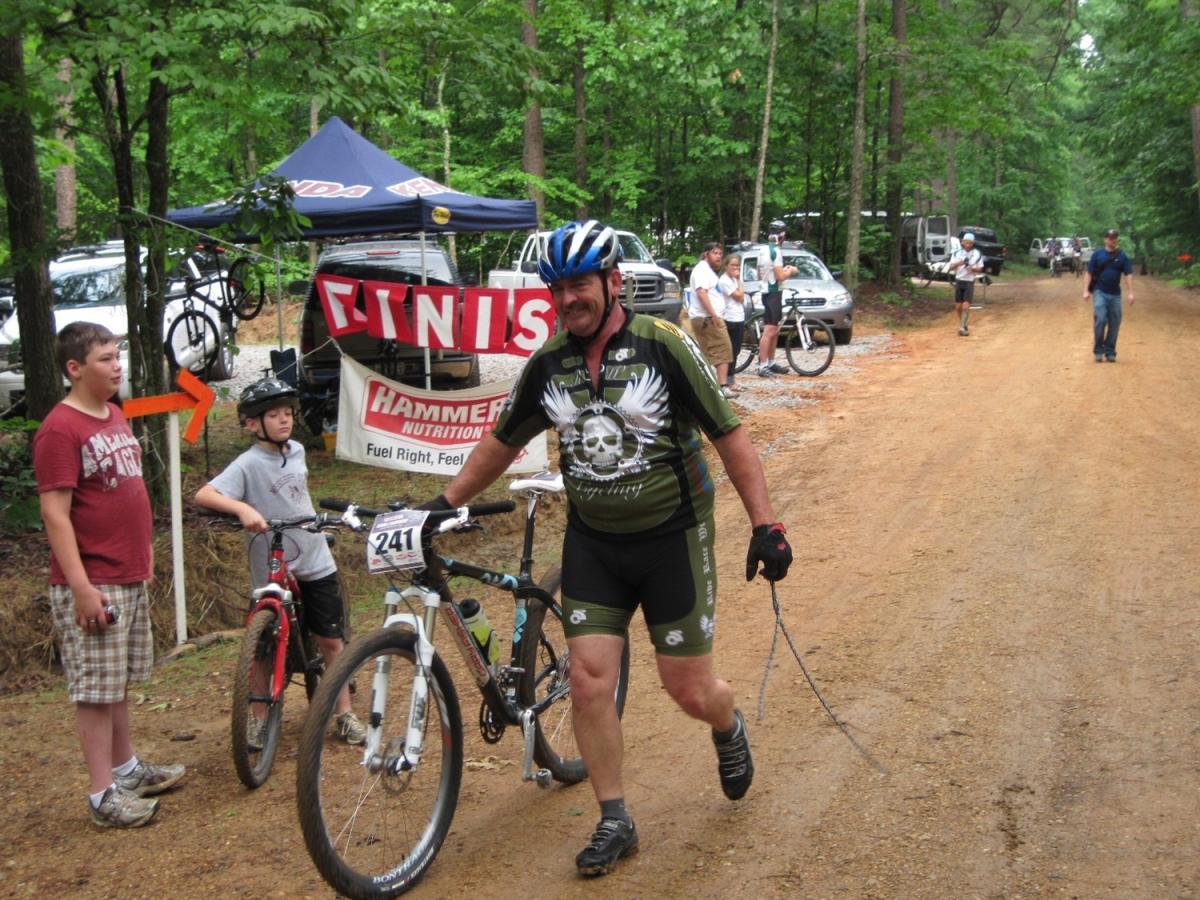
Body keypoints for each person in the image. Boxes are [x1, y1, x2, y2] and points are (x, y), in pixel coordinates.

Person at [419, 220, 793, 877]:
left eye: (581, 285)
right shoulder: (549, 365)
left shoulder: (665, 345)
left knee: (687, 688)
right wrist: (443, 505)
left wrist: (768, 526)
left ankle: (726, 722)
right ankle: (614, 816)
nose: (569, 299)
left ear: (613, 283)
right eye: (558, 289)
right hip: (595, 542)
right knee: (589, 679)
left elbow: (729, 436)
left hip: (672, 537)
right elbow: (500, 443)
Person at [33, 322, 186, 828]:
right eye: (105, 358)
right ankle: (103, 795)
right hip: (93, 578)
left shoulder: (114, 415)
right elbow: (56, 513)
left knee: (116, 682)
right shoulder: (61, 428)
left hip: (127, 573)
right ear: (74, 369)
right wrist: (80, 587)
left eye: (117, 355)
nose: (117, 365)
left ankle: (126, 768)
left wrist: (142, 557)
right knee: (95, 691)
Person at [194, 378, 365, 746]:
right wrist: (242, 508)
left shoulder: (298, 450)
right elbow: (205, 494)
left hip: (313, 555)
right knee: (263, 647)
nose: (284, 420)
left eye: (288, 413)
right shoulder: (247, 464)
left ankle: (344, 714)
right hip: (270, 561)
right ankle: (258, 718)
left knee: (330, 641)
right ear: (252, 423)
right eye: (274, 415)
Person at [686, 241, 735, 398]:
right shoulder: (702, 270)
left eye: (720, 254)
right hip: (707, 318)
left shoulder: (707, 270)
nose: (719, 256)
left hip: (707, 317)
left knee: (709, 353)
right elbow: (701, 292)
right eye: (715, 253)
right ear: (706, 254)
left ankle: (707, 386)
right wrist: (713, 314)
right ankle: (722, 387)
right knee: (724, 350)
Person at [1085, 228, 1135, 362]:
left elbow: (1128, 274)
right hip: (1099, 291)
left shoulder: (1122, 255)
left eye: (1114, 237)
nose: (1112, 240)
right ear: (1105, 239)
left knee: (1115, 322)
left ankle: (1110, 350)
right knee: (1100, 319)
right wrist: (1086, 290)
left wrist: (1130, 292)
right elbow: (1089, 272)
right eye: (1110, 237)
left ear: (1117, 239)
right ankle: (1098, 350)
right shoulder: (1098, 254)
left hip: (1115, 294)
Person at [756, 220, 799, 377]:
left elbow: (758, 273)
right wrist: (791, 270)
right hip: (773, 291)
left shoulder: (763, 250)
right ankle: (762, 366)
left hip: (767, 290)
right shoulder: (776, 251)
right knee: (770, 330)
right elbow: (780, 276)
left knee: (774, 329)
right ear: (782, 235)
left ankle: (770, 362)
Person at [718, 252, 748, 391]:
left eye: (738, 265)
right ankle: (727, 381)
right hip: (729, 318)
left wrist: (739, 285)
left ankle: (731, 379)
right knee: (729, 351)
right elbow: (738, 296)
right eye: (733, 265)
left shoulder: (735, 280)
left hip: (739, 317)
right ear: (726, 266)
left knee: (736, 351)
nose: (736, 268)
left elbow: (741, 297)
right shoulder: (724, 280)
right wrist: (740, 287)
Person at [948, 232, 984, 335]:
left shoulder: (977, 253)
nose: (968, 245)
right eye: (966, 242)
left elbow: (980, 268)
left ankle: (962, 328)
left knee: (966, 305)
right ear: (962, 242)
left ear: (973, 243)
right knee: (958, 306)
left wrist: (973, 269)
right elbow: (950, 267)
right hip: (959, 280)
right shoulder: (957, 253)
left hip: (969, 281)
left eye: (970, 243)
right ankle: (963, 323)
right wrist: (958, 263)